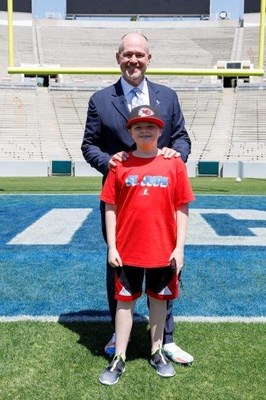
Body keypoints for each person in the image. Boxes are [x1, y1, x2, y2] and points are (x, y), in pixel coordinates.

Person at [81, 32, 193, 364]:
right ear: (118, 58)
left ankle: (166, 337)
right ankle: (120, 332)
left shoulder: (168, 97)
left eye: (139, 54)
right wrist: (110, 162)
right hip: (121, 200)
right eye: (127, 54)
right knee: (118, 263)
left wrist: (176, 154)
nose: (134, 60)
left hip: (161, 198)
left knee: (168, 261)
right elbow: (89, 146)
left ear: (149, 59)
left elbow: (183, 138)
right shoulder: (101, 100)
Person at [98, 105, 195, 385]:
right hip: (128, 248)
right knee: (124, 302)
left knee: (159, 300)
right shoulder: (120, 164)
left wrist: (180, 248)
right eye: (138, 126)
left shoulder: (173, 163)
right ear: (129, 131)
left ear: (160, 130)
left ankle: (157, 351)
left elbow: (182, 207)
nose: (145, 130)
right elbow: (110, 207)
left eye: (150, 126)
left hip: (162, 248)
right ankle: (119, 356)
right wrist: (113, 246)